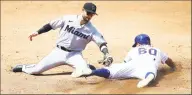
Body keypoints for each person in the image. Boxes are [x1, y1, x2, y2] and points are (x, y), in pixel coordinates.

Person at [12, 2, 113, 78]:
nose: (89, 16)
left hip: (75, 55)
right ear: (82, 10)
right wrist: (38, 32)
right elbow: (51, 25)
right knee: (36, 71)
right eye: (88, 13)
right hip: (58, 52)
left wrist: (106, 54)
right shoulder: (68, 19)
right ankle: (24, 67)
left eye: (92, 14)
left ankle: (83, 65)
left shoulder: (92, 29)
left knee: (84, 71)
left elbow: (101, 43)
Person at [85, 34, 176, 88]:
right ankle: (149, 77)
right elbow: (169, 61)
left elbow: (124, 63)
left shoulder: (134, 50)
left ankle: (93, 71)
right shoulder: (157, 50)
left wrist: (113, 66)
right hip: (148, 65)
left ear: (138, 44)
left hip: (133, 65)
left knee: (112, 71)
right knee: (151, 71)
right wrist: (174, 67)